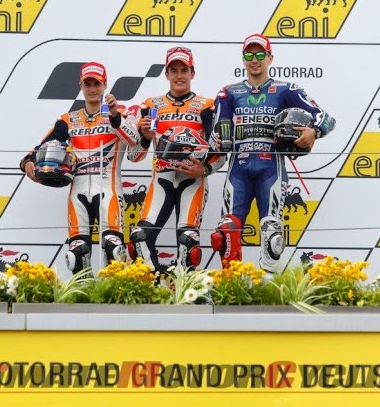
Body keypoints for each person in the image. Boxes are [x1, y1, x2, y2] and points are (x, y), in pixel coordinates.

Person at [210, 33, 336, 274]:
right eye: (249, 55)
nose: (254, 60)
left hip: (271, 169)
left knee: (272, 233)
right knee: (227, 232)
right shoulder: (228, 93)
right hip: (238, 170)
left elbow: (327, 118)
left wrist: (314, 132)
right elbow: (215, 136)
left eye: (260, 54)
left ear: (270, 58)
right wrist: (215, 142)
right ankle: (230, 284)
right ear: (243, 59)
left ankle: (267, 285)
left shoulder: (286, 89)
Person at [20, 62, 141, 275]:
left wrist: (114, 116)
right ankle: (83, 293)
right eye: (88, 84)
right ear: (81, 86)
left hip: (109, 190)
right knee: (77, 252)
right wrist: (28, 162)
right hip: (78, 191)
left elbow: (135, 143)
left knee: (114, 248)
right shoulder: (68, 120)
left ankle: (115, 294)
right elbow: (42, 148)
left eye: (97, 84)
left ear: (105, 85)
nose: (92, 88)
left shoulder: (120, 114)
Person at [128, 47, 225, 276]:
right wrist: (145, 137)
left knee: (187, 240)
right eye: (174, 70)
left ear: (193, 73)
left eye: (184, 70)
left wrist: (205, 169)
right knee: (140, 237)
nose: (179, 76)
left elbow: (220, 153)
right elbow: (134, 156)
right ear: (166, 74)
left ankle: (184, 287)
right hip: (161, 179)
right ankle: (154, 284)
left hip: (192, 181)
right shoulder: (150, 105)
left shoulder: (207, 106)